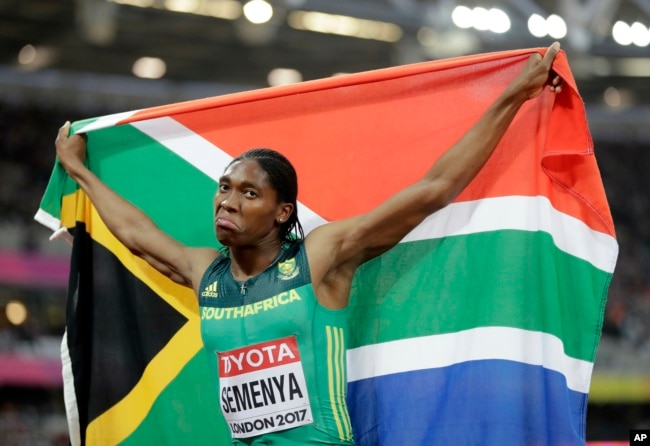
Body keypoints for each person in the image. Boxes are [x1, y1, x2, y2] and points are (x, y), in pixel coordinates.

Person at [55, 42, 563, 445]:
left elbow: (431, 192)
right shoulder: (205, 273)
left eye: (249, 192)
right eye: (225, 187)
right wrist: (78, 169)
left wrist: (513, 95)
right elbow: (140, 237)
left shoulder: (319, 259)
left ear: (282, 213)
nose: (227, 201)